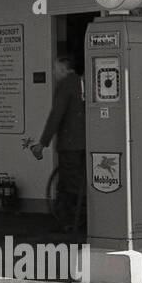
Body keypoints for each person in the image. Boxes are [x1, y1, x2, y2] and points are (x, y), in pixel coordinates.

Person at [29, 54, 86, 235]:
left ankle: (68, 222)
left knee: (68, 184)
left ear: (63, 68)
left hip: (69, 143)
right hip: (83, 143)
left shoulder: (65, 85)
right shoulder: (81, 82)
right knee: (75, 182)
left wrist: (42, 143)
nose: (53, 72)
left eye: (55, 68)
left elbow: (56, 115)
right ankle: (76, 219)